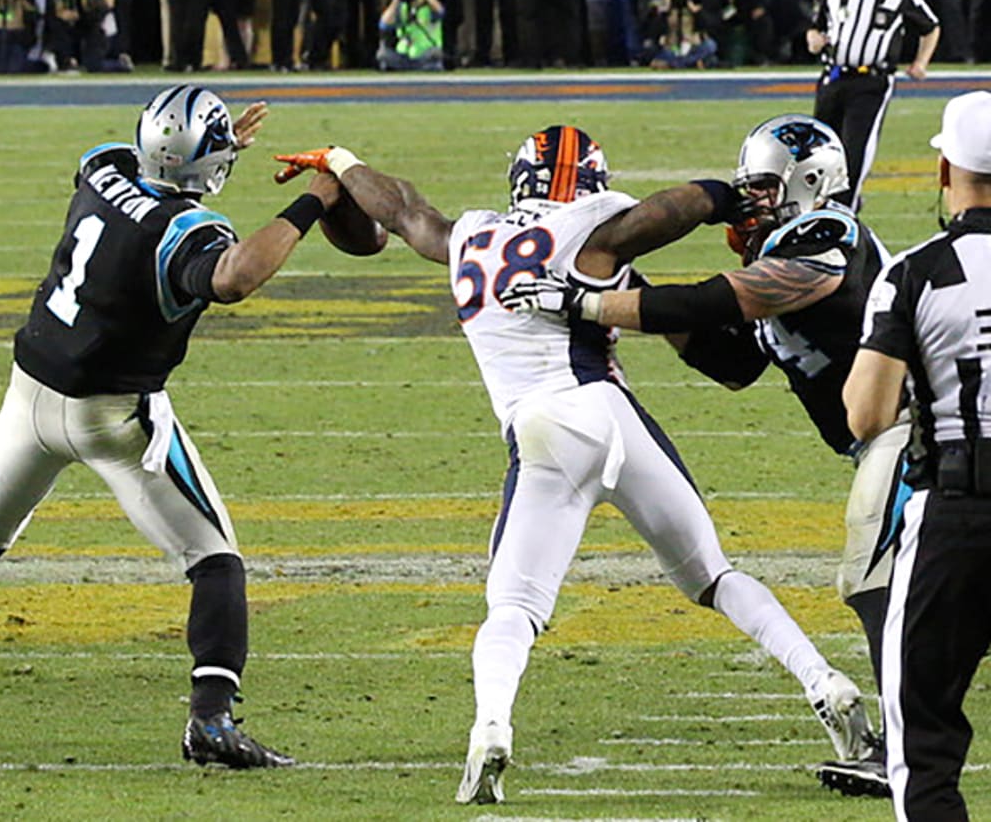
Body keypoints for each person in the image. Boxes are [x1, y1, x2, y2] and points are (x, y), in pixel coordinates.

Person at [273, 131, 876, 804]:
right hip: (609, 415)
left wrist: (342, 162)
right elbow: (659, 214)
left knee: (514, 607)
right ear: (587, 182)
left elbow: (403, 210)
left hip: (539, 429)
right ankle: (823, 680)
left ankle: (491, 727)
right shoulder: (590, 226)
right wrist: (721, 197)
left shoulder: (472, 237)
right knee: (714, 575)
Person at [0, 85, 339, 771]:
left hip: (28, 400)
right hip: (113, 419)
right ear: (207, 165)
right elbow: (233, 278)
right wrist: (316, 197)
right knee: (215, 560)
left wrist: (204, 155)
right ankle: (211, 721)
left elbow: (123, 179)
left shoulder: (105, 166)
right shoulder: (189, 232)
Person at [499, 114, 905, 798]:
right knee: (923, 584)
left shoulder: (830, 233)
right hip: (894, 440)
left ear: (813, 181)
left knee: (880, 586)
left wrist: (592, 303)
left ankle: (900, 746)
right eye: (750, 189)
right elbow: (735, 362)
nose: (755, 203)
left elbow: (721, 298)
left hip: (915, 432)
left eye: (768, 189)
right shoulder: (783, 251)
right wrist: (629, 291)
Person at [843, 89, 991, 821]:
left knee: (924, 739)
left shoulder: (915, 272)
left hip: (955, 517)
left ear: (945, 170)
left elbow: (866, 413)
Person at [807, 0, 940, 211]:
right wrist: (814, 41)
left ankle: (844, 211)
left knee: (856, 150)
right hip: (833, 77)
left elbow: (931, 26)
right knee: (819, 150)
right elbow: (816, 29)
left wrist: (921, 63)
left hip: (872, 81)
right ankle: (821, 205)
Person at [376, 0, 444, 69]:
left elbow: (441, 11)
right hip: (404, 55)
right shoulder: (401, 9)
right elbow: (383, 25)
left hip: (426, 54)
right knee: (383, 54)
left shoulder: (429, 9)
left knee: (435, 53)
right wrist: (396, 0)